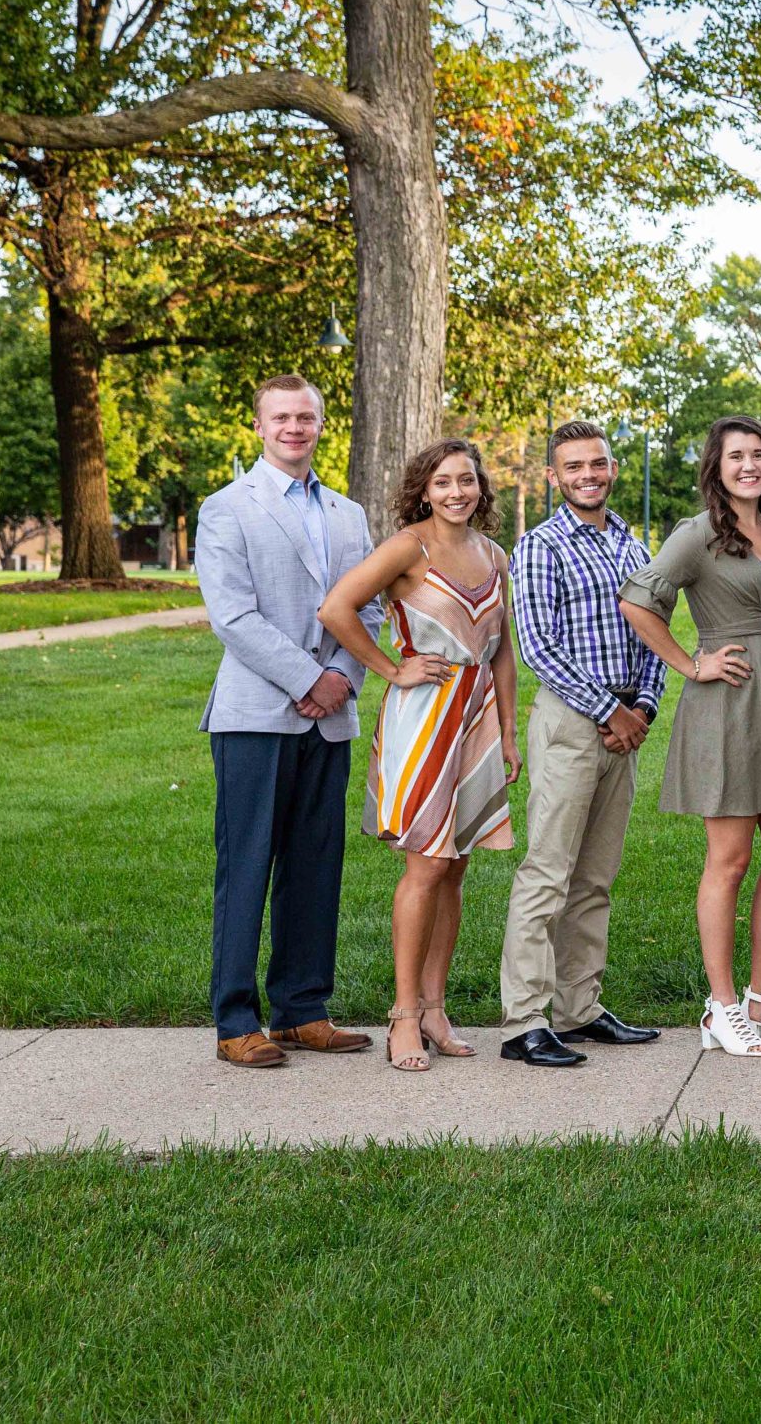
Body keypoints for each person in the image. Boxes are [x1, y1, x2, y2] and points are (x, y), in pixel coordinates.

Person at [620, 415, 761, 1059]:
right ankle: (720, 1006)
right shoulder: (698, 533)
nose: (750, 465)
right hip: (729, 705)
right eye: (736, 456)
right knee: (731, 860)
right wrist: (692, 663)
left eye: (759, 454)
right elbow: (637, 601)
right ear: (716, 466)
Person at [194, 375, 379, 1067]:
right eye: (282, 416)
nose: (294, 426)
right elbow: (233, 615)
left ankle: (303, 1008)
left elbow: (371, 609)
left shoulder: (348, 514)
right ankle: (236, 1019)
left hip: (328, 719)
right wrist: (309, 678)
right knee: (246, 865)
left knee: (315, 865)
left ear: (322, 425)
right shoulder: (225, 509)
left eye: (306, 416)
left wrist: (342, 680)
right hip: (254, 714)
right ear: (259, 424)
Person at [318, 439, 520, 1073]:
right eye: (442, 483)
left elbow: (503, 651)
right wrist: (389, 670)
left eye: (466, 480)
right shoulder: (410, 547)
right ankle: (402, 1016)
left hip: (478, 715)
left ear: (481, 488)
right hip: (424, 714)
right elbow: (336, 609)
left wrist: (509, 734)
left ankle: (435, 1008)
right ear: (423, 491)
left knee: (456, 868)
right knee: (427, 867)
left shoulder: (494, 554)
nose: (456, 492)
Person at [500, 420, 669, 1070]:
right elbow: (539, 646)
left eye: (597, 463)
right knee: (548, 869)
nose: (587, 475)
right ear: (554, 477)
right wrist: (609, 710)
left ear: (613, 467)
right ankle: (523, 1021)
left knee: (595, 875)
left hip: (627, 724)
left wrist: (644, 707)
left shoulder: (632, 541)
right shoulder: (541, 546)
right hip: (573, 724)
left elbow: (656, 626)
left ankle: (578, 1005)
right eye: (573, 467)